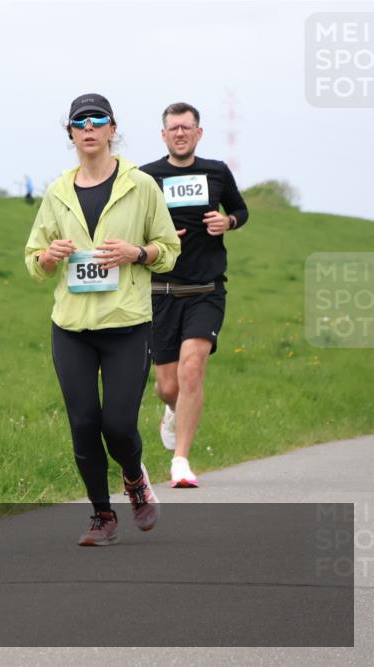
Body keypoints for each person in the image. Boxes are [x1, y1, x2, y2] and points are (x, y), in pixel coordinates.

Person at [24, 94, 180, 546]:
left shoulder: (141, 185)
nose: (89, 128)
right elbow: (33, 258)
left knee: (117, 423)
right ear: (70, 133)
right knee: (83, 422)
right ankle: (101, 516)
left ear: (112, 129)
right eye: (79, 122)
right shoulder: (56, 191)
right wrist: (48, 257)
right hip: (71, 327)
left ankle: (134, 477)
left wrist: (137, 253)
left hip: (126, 325)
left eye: (98, 121)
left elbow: (168, 251)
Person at [140, 103, 249, 488]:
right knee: (167, 386)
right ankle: (173, 410)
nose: (180, 133)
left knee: (192, 370)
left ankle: (180, 461)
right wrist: (157, 239)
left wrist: (228, 221)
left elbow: (240, 209)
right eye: (173, 128)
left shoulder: (216, 171)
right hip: (160, 292)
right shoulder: (146, 177)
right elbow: (133, 225)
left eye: (187, 127)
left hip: (206, 290)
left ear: (198, 133)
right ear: (164, 135)